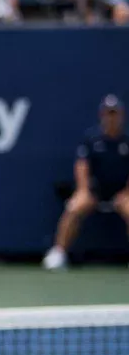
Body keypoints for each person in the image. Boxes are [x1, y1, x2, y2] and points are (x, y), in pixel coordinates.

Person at [44, 94, 128, 270]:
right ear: (102, 115)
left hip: (122, 192)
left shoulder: (126, 141)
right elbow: (82, 166)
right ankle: (59, 253)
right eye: (108, 113)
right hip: (94, 192)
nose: (111, 117)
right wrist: (83, 190)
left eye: (114, 113)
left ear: (121, 115)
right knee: (74, 207)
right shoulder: (92, 140)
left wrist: (126, 192)